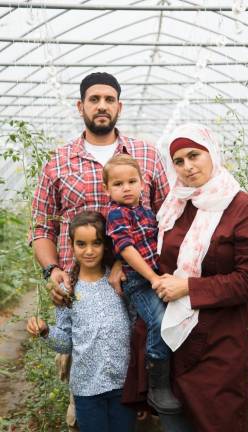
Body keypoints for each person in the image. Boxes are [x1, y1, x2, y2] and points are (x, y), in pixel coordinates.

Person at [30, 72, 170, 430]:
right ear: (81, 106)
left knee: (139, 378)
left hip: (137, 285)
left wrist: (127, 263)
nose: (102, 106)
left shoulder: (147, 156)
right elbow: (42, 227)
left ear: (119, 106)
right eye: (94, 99)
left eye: (109, 99)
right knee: (87, 382)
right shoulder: (59, 162)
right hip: (82, 291)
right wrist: (53, 271)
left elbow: (168, 219)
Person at [124, 123, 248, 432]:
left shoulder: (244, 208)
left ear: (212, 153)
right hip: (175, 342)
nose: (188, 167)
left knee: (218, 421)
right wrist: (117, 265)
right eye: (179, 161)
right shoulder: (174, 207)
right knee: (176, 423)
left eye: (194, 155)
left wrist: (189, 287)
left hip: (220, 343)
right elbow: (149, 249)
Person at [27, 211, 136, 432]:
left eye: (96, 243)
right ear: (71, 245)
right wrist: (46, 331)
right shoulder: (67, 289)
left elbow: (135, 328)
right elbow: (67, 342)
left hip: (123, 386)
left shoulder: (118, 281)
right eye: (81, 244)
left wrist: (141, 385)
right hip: (87, 390)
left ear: (105, 245)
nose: (89, 251)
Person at [103, 153, 181, 415]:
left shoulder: (147, 211)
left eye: (131, 181)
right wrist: (153, 278)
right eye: (118, 184)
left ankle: (166, 380)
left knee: (172, 318)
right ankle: (156, 385)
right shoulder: (115, 213)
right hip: (139, 281)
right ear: (107, 189)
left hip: (155, 276)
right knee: (157, 322)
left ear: (142, 184)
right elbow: (126, 249)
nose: (126, 188)